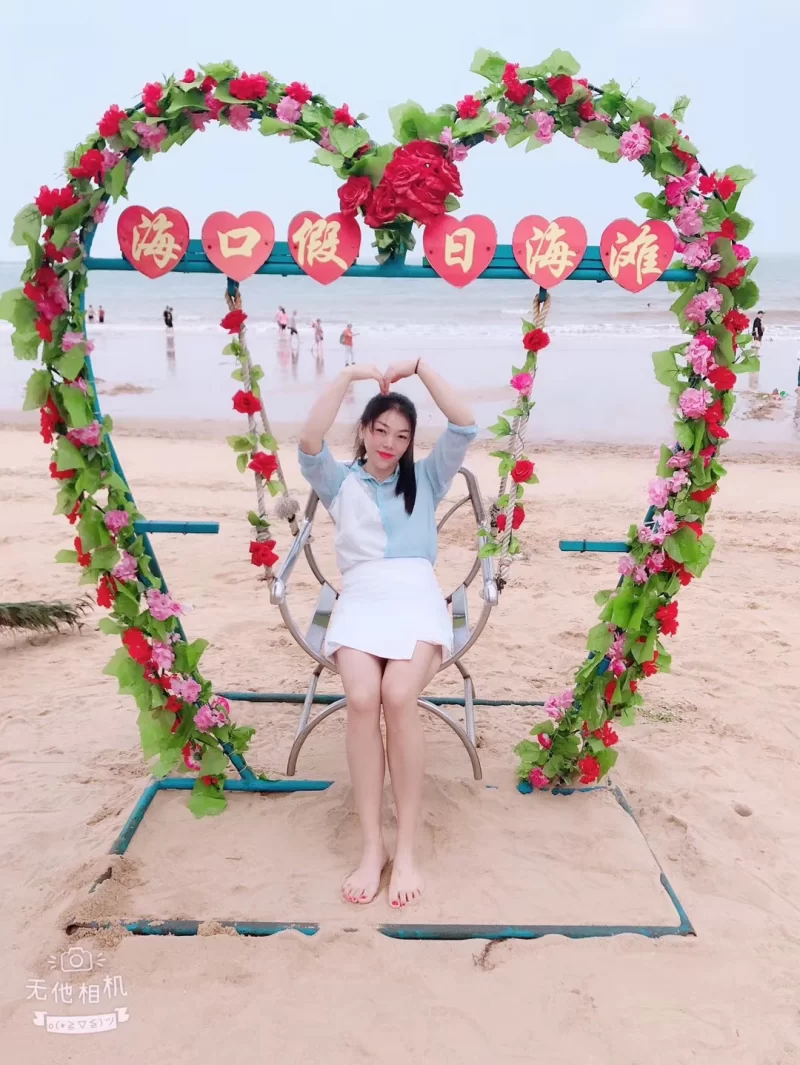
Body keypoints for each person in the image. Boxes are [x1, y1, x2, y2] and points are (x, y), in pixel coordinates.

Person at [298, 359, 477, 909]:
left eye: (402, 436)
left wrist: (421, 368)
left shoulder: (427, 479)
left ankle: (408, 851)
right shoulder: (339, 482)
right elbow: (308, 439)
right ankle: (372, 847)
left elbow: (465, 423)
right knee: (361, 697)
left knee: (398, 695)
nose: (390, 444)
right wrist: (347, 377)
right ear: (365, 430)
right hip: (360, 599)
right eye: (381, 431)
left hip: (416, 597)